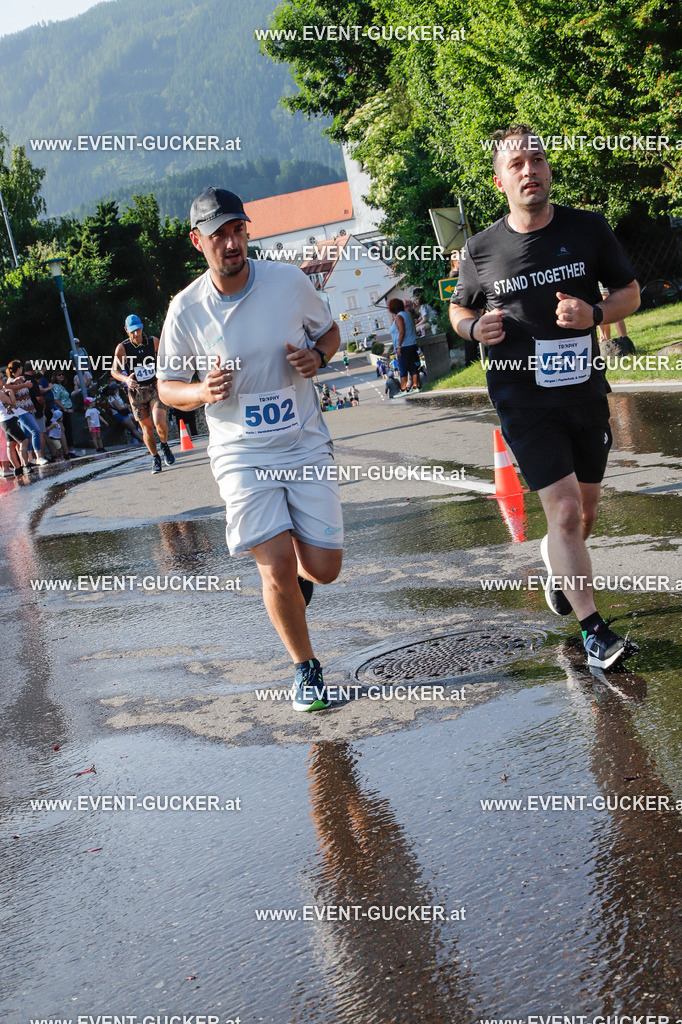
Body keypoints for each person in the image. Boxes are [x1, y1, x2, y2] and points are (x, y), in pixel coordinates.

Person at [449, 124, 641, 670]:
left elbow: (630, 291)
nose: (529, 170)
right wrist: (471, 330)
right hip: (521, 397)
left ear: (549, 169)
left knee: (585, 510)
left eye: (537, 159)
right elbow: (459, 308)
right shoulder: (481, 249)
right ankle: (594, 630)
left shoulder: (588, 229)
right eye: (517, 164)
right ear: (499, 181)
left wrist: (596, 314)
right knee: (562, 507)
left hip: (581, 389)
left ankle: (560, 567)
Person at [157, 185, 343, 712]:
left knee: (323, 567)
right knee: (275, 564)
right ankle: (305, 669)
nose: (232, 242)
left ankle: (297, 591)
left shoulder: (286, 281)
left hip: (303, 439)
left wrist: (317, 359)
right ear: (199, 242)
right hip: (241, 452)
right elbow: (168, 385)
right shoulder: (186, 310)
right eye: (219, 235)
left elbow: (329, 332)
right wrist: (201, 392)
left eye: (238, 230)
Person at [111, 314, 175, 474]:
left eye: (138, 329)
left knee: (159, 422)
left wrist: (164, 374)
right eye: (132, 331)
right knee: (146, 429)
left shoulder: (153, 341)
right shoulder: (122, 348)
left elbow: (164, 359)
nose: (136, 334)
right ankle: (155, 457)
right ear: (126, 330)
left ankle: (165, 445)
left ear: (142, 327)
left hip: (154, 388)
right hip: (136, 393)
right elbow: (114, 370)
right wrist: (125, 379)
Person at [4, 360, 48, 465]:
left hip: (27, 409)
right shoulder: (11, 381)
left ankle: (29, 459)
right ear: (18, 369)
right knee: (36, 430)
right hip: (20, 411)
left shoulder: (20, 379)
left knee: (27, 435)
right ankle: (38, 456)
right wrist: (24, 385)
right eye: (20, 367)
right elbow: (9, 390)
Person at [387, 298, 421, 392]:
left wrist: (398, 346)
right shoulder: (407, 315)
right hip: (412, 344)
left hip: (404, 346)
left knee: (403, 369)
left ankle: (403, 389)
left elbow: (401, 332)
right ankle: (415, 386)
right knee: (413, 367)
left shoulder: (399, 317)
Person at [50, 369, 77, 456]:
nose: (61, 376)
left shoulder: (62, 386)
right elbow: (56, 400)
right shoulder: (55, 386)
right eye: (58, 375)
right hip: (62, 411)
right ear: (55, 377)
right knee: (65, 431)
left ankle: (70, 450)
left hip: (67, 409)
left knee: (68, 430)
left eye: (62, 374)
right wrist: (65, 409)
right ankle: (68, 451)